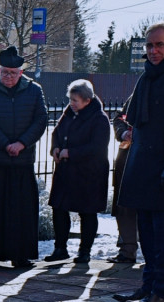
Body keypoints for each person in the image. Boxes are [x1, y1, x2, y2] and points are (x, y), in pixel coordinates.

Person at [113, 23, 164, 302]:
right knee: (147, 231)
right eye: (150, 46)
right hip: (143, 164)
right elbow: (130, 118)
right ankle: (148, 285)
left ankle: (162, 292)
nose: (154, 51)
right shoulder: (147, 76)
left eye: (160, 45)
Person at [0, 46, 47, 269]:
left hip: (22, 162)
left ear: (21, 73)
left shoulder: (34, 90)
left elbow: (40, 120)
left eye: (13, 73)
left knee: (21, 213)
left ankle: (21, 256)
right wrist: (5, 144)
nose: (9, 77)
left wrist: (22, 143)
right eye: (5, 72)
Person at [46, 80, 111, 264]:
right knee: (59, 208)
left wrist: (72, 153)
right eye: (71, 99)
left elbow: (97, 147)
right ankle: (60, 248)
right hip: (66, 172)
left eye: (76, 100)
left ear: (87, 101)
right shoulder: (69, 114)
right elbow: (56, 134)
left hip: (89, 174)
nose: (72, 103)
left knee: (87, 212)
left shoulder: (99, 118)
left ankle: (85, 251)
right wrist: (56, 148)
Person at [108, 95, 138, 264]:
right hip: (127, 159)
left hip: (151, 160)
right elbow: (119, 118)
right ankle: (127, 249)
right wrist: (124, 132)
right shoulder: (136, 94)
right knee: (124, 206)